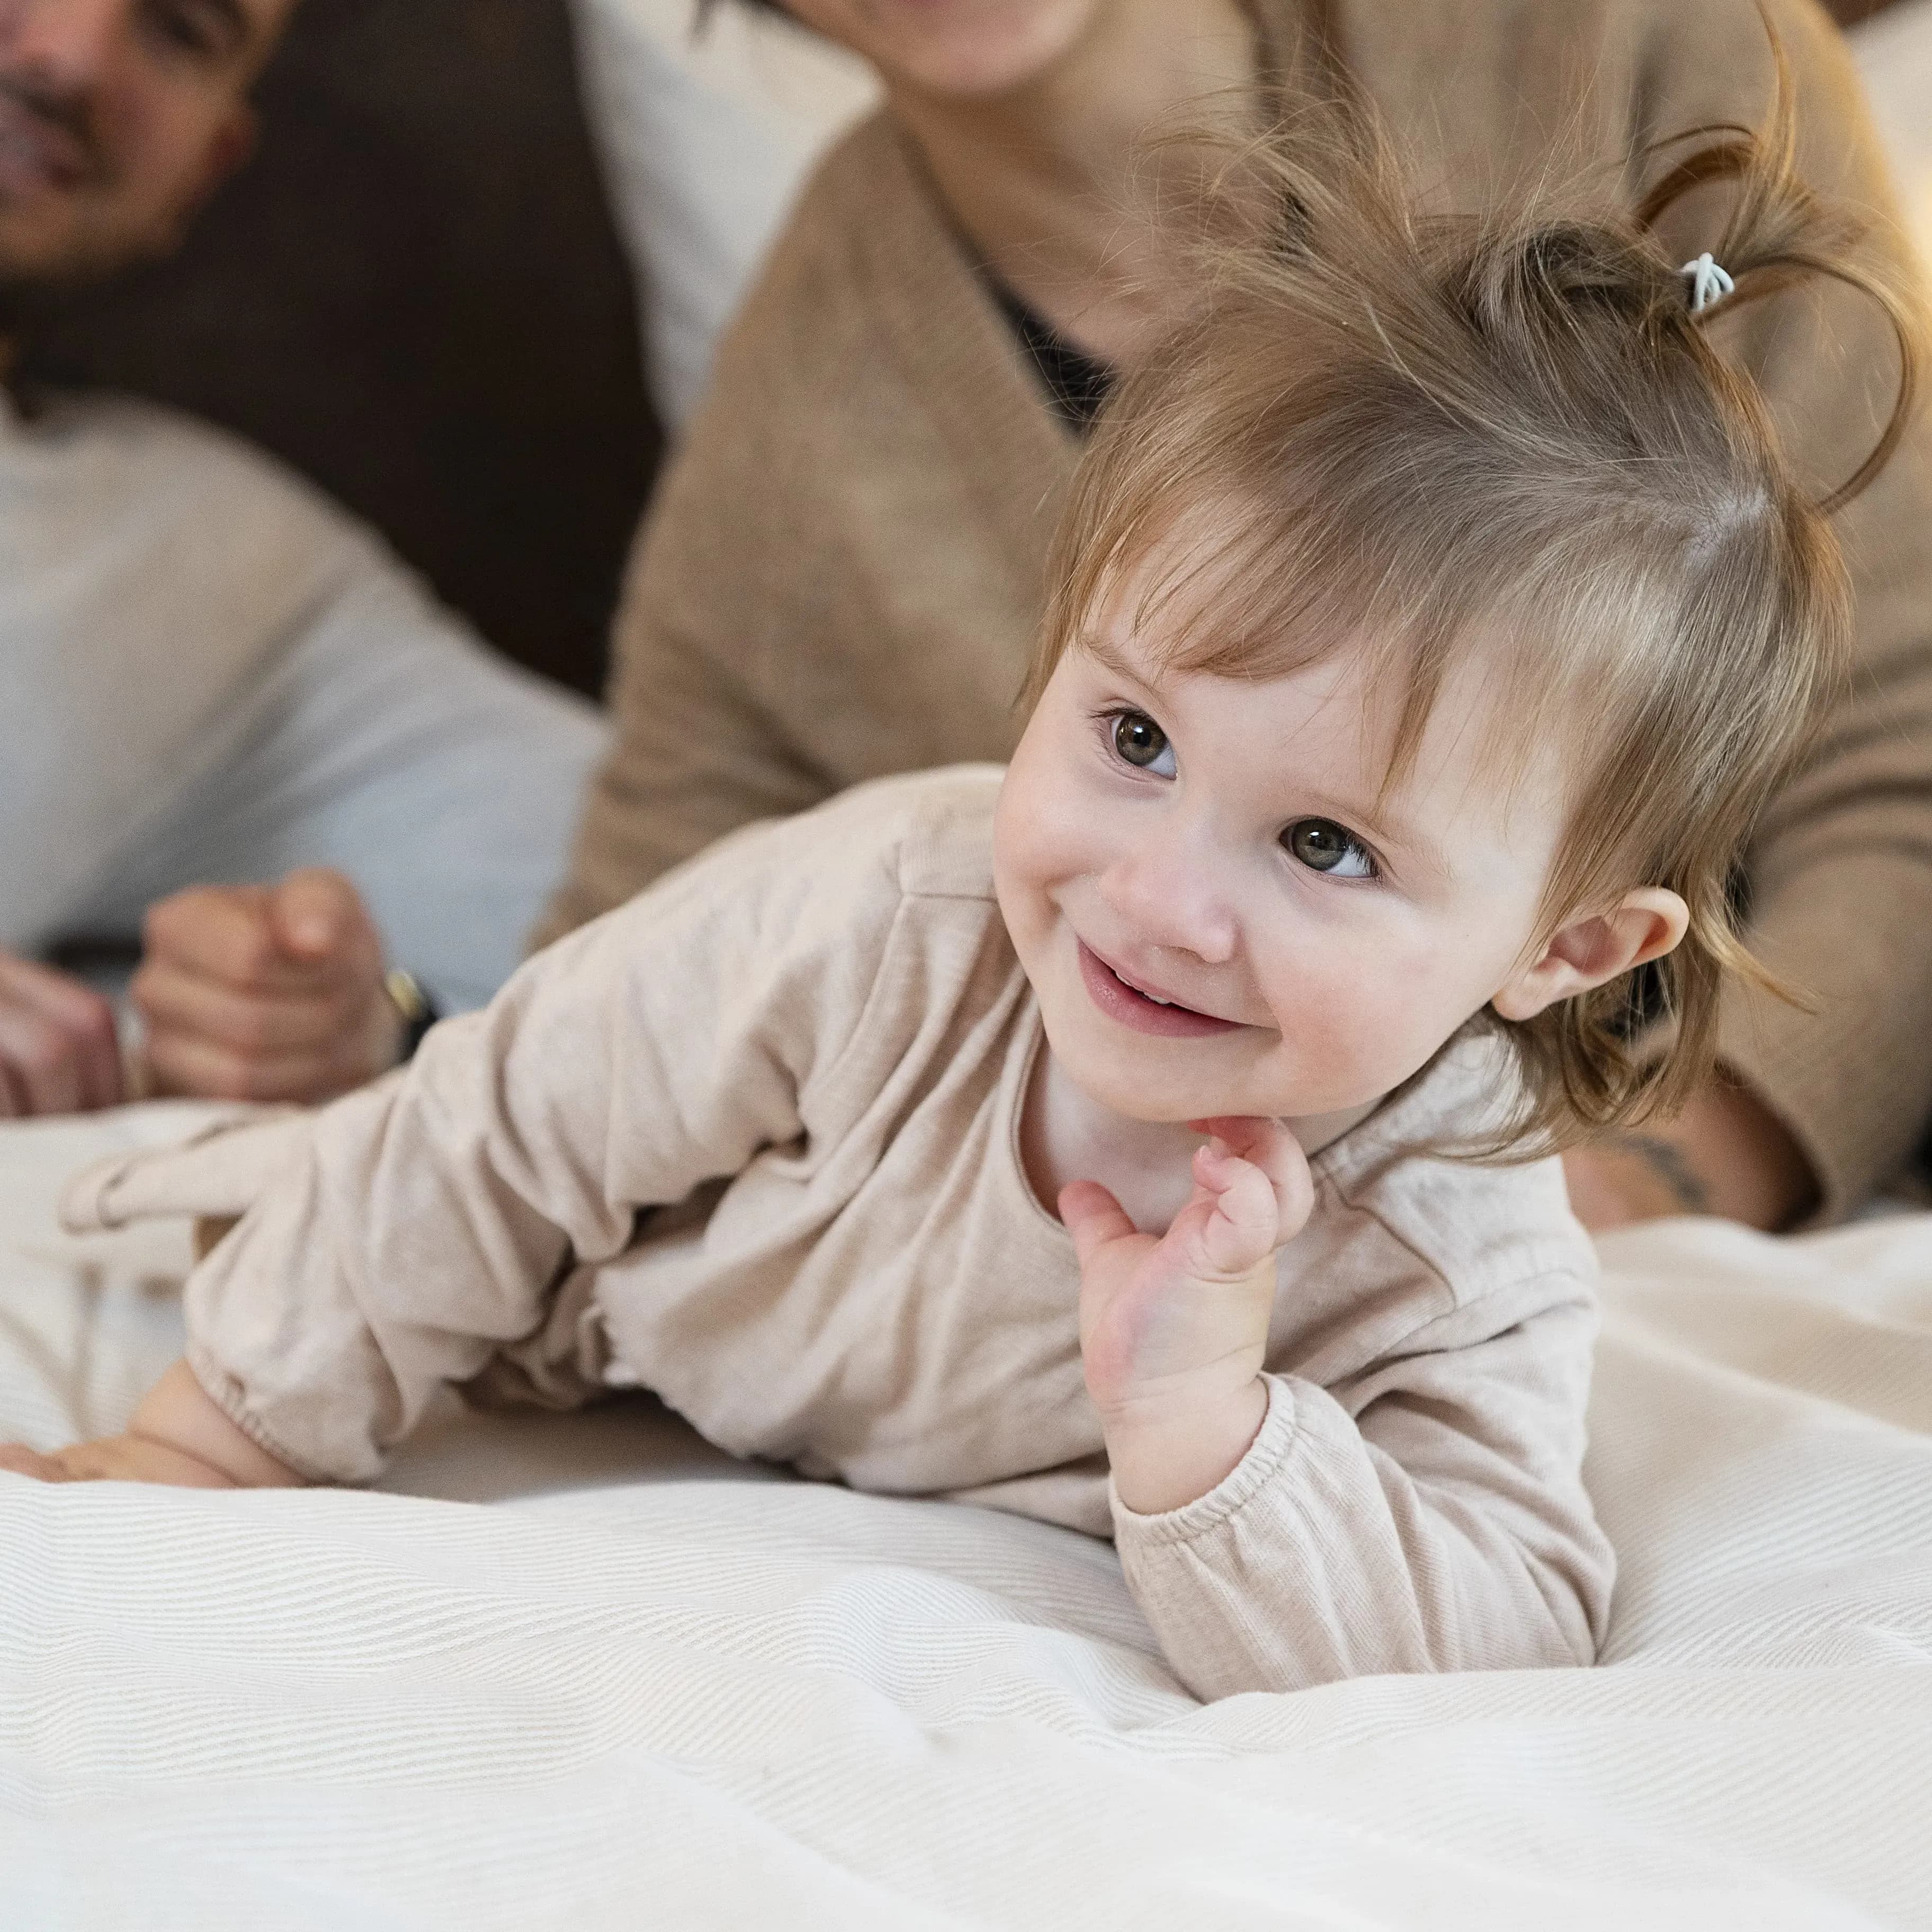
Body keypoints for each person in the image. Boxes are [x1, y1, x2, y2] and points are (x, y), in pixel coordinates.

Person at [5, 86, 1912, 1700]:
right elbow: (510, 1120)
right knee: (367, 1215)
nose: (1159, 897)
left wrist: (1211, 1438)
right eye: (1135, 736)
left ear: (1567, 948)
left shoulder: (1453, 1220)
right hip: (580, 1304)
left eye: (1326, 846)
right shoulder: (881, 919)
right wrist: (207, 1445)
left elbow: (1498, 1633)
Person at [0, 0, 607, 1115]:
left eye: (181, 30)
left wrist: (382, 1035)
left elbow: (732, 919)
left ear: (206, 169)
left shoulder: (206, 564)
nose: (75, 56)